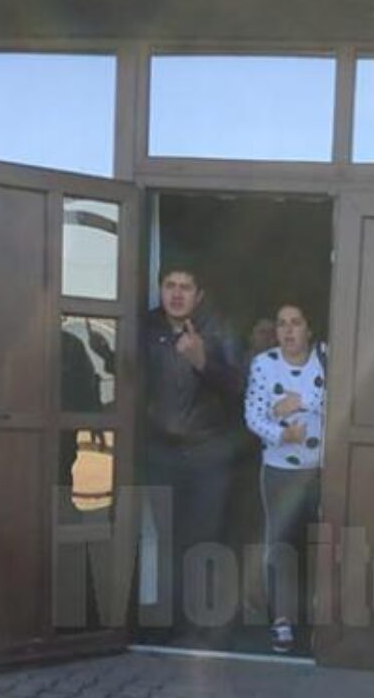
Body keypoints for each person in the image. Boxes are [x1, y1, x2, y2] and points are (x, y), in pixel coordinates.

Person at [138, 260, 244, 640]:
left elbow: (240, 387)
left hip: (207, 452)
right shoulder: (144, 328)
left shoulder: (218, 329)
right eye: (170, 285)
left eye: (185, 287)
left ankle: (202, 623)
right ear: (160, 289)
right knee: (167, 538)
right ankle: (169, 624)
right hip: (160, 452)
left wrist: (202, 361)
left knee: (203, 538)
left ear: (199, 295)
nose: (177, 294)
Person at [243, 303, 325, 654]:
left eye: (296, 323)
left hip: (323, 469)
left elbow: (345, 398)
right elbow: (253, 415)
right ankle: (282, 621)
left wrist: (299, 402)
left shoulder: (327, 358)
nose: (288, 330)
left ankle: (323, 619)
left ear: (309, 329)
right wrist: (281, 434)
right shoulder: (264, 364)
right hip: (280, 470)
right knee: (281, 544)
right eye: (281, 324)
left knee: (322, 544)